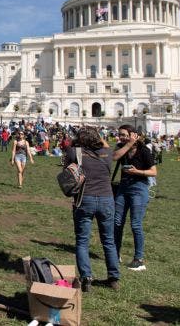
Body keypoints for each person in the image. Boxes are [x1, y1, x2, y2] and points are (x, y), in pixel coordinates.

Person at [64, 127, 120, 292]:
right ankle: (113, 277)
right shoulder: (107, 153)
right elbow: (106, 146)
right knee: (108, 240)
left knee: (82, 241)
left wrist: (78, 140)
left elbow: (67, 162)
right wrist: (99, 137)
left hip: (84, 198)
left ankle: (86, 277)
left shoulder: (75, 153)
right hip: (106, 199)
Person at [112, 125, 157, 272]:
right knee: (117, 221)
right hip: (123, 188)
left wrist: (137, 171)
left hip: (139, 188)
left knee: (135, 224)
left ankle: (139, 259)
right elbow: (114, 157)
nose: (121, 137)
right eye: (120, 135)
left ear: (133, 135)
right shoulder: (121, 147)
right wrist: (128, 144)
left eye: (124, 135)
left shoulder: (144, 151)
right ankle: (115, 254)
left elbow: (153, 172)